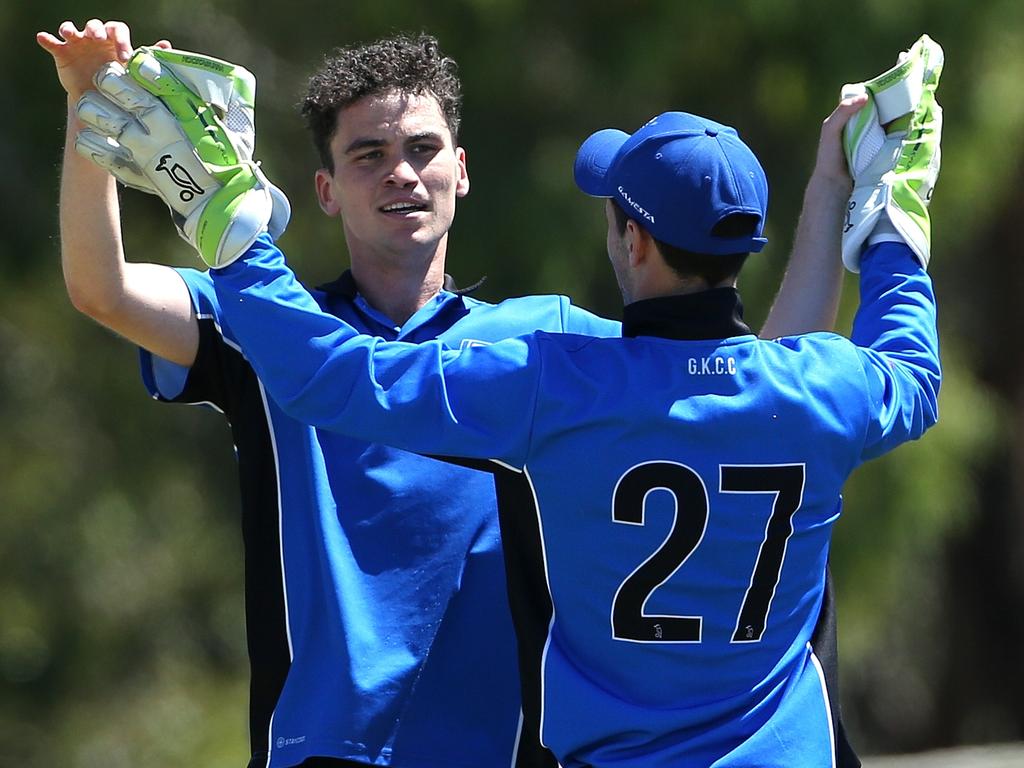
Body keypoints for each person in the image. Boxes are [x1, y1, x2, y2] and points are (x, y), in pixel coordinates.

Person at [38, 19, 856, 768]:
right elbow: (100, 288)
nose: (401, 172)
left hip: (506, 750)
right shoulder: (269, 325)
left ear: (461, 173)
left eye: (424, 149)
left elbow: (761, 390)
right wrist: (89, 111)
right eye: (367, 155)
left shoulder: (551, 348)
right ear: (324, 190)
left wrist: (827, 193)